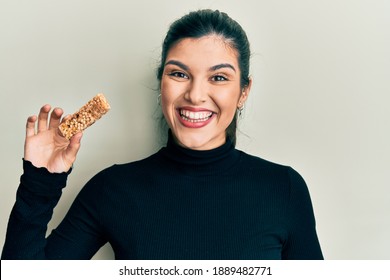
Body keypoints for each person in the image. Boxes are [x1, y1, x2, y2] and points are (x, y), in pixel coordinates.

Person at [1, 9, 323, 260]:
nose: (195, 95)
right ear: (162, 84)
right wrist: (40, 181)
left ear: (243, 92)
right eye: (179, 74)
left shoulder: (284, 190)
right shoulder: (113, 190)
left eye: (219, 78)